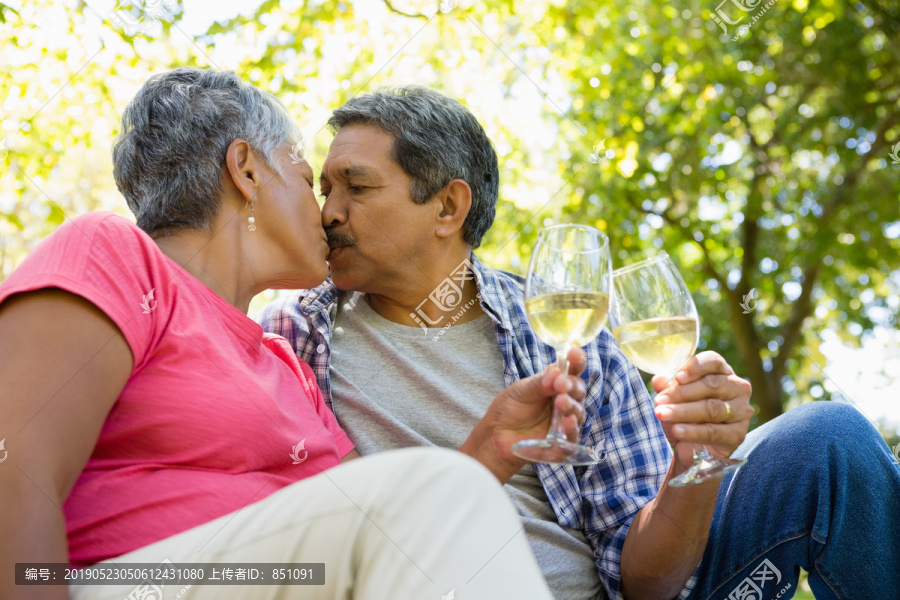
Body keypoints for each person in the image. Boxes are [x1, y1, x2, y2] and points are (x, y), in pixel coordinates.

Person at [259, 86, 900, 600]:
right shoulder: (295, 334)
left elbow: (647, 580)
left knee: (830, 436)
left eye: (356, 187)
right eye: (325, 189)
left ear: (449, 208)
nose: (329, 212)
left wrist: (691, 465)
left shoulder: (566, 334)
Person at [0, 68, 592, 600]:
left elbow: (382, 527)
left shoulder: (285, 361)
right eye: (311, 183)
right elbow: (16, 470)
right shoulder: (115, 257)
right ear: (247, 170)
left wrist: (488, 447)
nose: (328, 213)